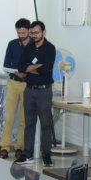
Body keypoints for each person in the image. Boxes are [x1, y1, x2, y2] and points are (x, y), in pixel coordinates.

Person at [17, 20, 56, 167]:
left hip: (44, 91)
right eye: (32, 33)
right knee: (29, 123)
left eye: (36, 33)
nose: (34, 35)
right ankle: (27, 154)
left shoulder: (50, 48)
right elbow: (20, 66)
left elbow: (45, 70)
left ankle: (46, 155)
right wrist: (33, 67)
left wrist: (29, 68)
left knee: (46, 124)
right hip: (29, 90)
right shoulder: (29, 47)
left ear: (43, 32)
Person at [0, 18, 31, 159]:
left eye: (23, 32)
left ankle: (20, 148)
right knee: (9, 117)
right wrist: (17, 72)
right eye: (19, 33)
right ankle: (4, 147)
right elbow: (6, 65)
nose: (21, 35)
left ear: (29, 30)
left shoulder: (34, 45)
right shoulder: (12, 44)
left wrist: (26, 73)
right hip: (13, 83)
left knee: (24, 119)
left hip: (27, 85)